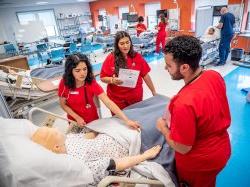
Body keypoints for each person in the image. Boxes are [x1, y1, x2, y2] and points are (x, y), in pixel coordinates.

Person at [156, 35, 231, 187]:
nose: (165, 68)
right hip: (222, 150)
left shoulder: (184, 103)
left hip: (199, 163)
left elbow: (183, 148)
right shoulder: (214, 76)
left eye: (169, 65)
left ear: (184, 67)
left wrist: (163, 129)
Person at [31, 126, 161, 186]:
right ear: (56, 147)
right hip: (125, 144)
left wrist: (102, 126)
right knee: (153, 128)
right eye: (54, 133)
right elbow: (119, 164)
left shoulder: (67, 139)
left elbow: (89, 135)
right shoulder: (79, 165)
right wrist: (145, 155)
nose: (57, 129)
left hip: (113, 132)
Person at [58, 53, 140, 130]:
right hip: (75, 121)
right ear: (70, 71)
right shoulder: (64, 83)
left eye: (84, 69)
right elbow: (63, 105)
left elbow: (108, 101)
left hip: (93, 120)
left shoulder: (90, 81)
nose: (83, 73)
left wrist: (126, 120)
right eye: (77, 70)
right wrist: (77, 117)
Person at [100, 31, 156, 111]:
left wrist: (153, 91)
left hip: (135, 97)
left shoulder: (137, 57)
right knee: (120, 121)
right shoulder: (110, 58)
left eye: (127, 42)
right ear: (117, 45)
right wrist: (112, 80)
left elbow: (145, 75)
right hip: (117, 99)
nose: (125, 46)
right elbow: (102, 77)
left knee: (135, 119)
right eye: (122, 43)